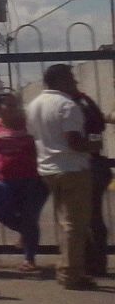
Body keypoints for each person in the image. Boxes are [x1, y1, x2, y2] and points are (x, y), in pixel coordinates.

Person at [25, 64, 102, 290]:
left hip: (48, 169)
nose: (75, 82)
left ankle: (67, 267)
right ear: (60, 80)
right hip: (72, 169)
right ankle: (71, 274)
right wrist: (93, 145)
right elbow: (74, 142)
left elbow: (33, 139)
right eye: (71, 78)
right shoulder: (67, 106)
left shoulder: (34, 106)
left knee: (64, 222)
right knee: (75, 225)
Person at [0, 91, 49, 273]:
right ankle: (26, 233)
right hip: (4, 180)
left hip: (33, 179)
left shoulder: (30, 124)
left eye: (15, 105)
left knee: (29, 218)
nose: (13, 109)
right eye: (8, 105)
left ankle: (29, 258)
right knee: (1, 213)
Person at [73, 90, 111, 277]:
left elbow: (94, 134)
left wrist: (90, 147)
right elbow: (98, 130)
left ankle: (89, 263)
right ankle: (97, 263)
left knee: (82, 219)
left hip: (85, 166)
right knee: (93, 217)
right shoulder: (86, 103)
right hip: (97, 164)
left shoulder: (72, 106)